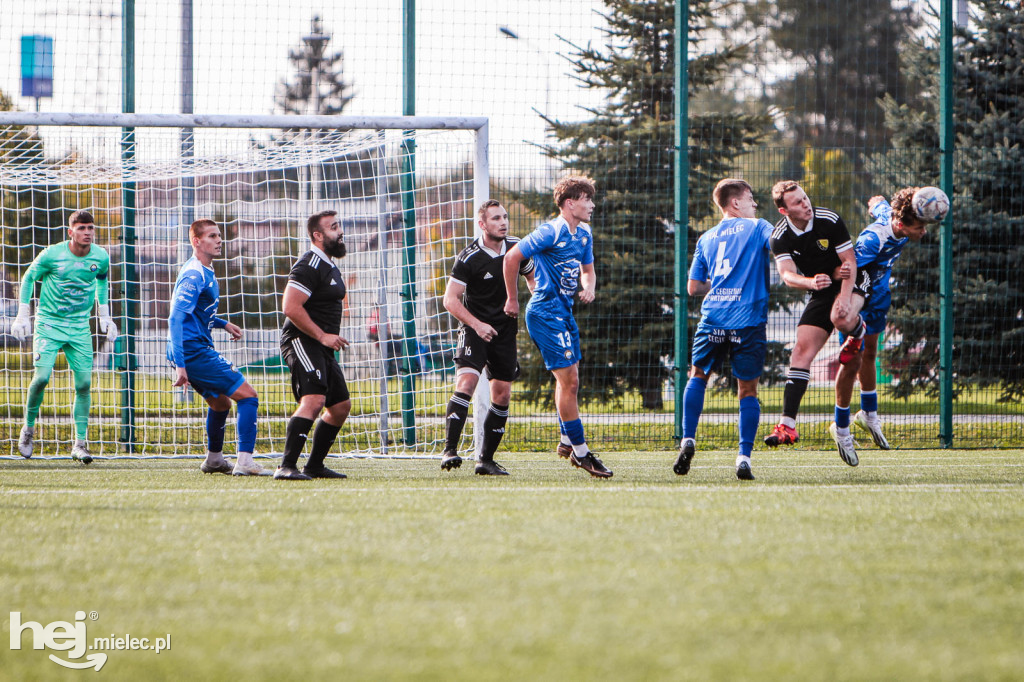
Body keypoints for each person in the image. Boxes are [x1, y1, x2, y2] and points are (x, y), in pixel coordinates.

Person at [503, 175, 612, 478]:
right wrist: (512, 299)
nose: (591, 204)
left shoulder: (584, 234)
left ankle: (566, 438)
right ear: (569, 203)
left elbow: (588, 270)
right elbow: (512, 257)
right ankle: (582, 452)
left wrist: (588, 286)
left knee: (569, 379)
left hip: (563, 313)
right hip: (544, 312)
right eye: (586, 199)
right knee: (570, 381)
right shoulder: (551, 231)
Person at [764, 180, 869, 466]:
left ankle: (856, 332)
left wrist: (845, 300)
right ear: (785, 210)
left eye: (805, 197)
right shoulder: (779, 236)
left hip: (852, 281)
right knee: (800, 353)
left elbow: (850, 263)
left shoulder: (829, 219)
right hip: (820, 289)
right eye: (797, 202)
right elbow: (787, 275)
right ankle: (787, 425)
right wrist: (810, 281)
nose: (806, 204)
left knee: (841, 316)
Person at [676, 179, 775, 481]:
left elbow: (693, 288)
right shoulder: (758, 227)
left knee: (698, 376)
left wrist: (720, 285)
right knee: (747, 390)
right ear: (735, 203)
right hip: (748, 320)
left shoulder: (706, 238)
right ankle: (743, 457)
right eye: (751, 198)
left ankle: (687, 439)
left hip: (713, 318)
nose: (755, 204)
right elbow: (780, 247)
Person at [12, 210, 118, 464]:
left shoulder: (100, 257)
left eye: (91, 228)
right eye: (82, 228)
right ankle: (28, 429)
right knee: (41, 378)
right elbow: (28, 278)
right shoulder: (52, 254)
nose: (87, 233)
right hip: (49, 324)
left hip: (80, 327)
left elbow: (101, 281)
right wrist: (23, 314)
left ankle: (79, 444)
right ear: (71, 232)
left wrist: (104, 314)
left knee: (83, 385)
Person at [440, 199, 535, 475]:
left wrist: (537, 295)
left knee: (502, 394)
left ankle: (486, 460)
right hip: (474, 328)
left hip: (505, 330)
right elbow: (450, 300)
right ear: (482, 224)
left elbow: (531, 278)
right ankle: (449, 450)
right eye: (495, 218)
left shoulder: (518, 248)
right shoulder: (468, 257)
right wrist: (478, 325)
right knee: (467, 381)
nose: (503, 222)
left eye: (504, 217)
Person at [167, 219, 268, 476]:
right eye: (212, 236)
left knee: (221, 404)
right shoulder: (194, 273)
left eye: (219, 235)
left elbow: (195, 312)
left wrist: (222, 323)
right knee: (248, 395)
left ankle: (214, 460)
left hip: (192, 348)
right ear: (196, 241)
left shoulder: (204, 270)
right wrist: (181, 366)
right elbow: (176, 318)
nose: (219, 240)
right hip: (192, 351)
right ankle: (245, 462)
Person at [837, 188, 929, 450]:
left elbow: (876, 201)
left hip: (879, 296)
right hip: (858, 298)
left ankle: (868, 415)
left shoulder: (893, 215)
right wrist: (847, 305)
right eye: (920, 226)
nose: (924, 231)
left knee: (870, 353)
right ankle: (841, 427)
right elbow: (849, 268)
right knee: (852, 361)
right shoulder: (873, 240)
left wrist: (877, 202)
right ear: (901, 225)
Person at [275, 209, 352, 481]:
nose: (340, 231)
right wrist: (321, 335)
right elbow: (290, 307)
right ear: (317, 235)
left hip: (322, 346)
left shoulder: (329, 265)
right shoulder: (309, 265)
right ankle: (286, 466)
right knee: (314, 399)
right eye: (333, 227)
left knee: (340, 406)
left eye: (339, 225)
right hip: (301, 340)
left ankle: (314, 466)